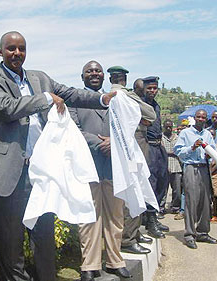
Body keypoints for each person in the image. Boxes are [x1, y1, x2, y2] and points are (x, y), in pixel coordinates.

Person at [0, 33, 114, 281]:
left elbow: (71, 94)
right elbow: (7, 109)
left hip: (42, 173)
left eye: (21, 48)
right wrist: (44, 99)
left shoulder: (39, 78)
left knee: (44, 239)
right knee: (10, 244)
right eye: (11, 48)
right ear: (0, 52)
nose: (16, 53)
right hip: (9, 174)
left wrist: (102, 98)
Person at [69, 61, 131, 281]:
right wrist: (99, 143)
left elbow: (126, 127)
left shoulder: (116, 99)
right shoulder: (73, 100)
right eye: (89, 71)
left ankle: (115, 261)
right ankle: (90, 265)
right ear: (82, 76)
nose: (94, 74)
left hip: (114, 166)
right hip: (88, 166)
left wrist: (114, 143)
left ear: (104, 76)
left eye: (98, 71)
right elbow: (73, 130)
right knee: (89, 217)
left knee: (115, 216)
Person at [106, 66, 155, 255]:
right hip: (131, 151)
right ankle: (128, 238)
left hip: (118, 152)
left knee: (129, 190)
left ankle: (133, 233)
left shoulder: (104, 96)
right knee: (135, 188)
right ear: (124, 80)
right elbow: (150, 115)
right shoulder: (125, 96)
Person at [174, 109, 217, 249]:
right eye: (198, 117)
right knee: (191, 201)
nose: (201, 119)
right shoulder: (185, 133)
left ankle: (203, 232)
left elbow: (213, 149)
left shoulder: (207, 134)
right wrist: (192, 147)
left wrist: (209, 154)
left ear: (206, 119)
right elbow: (178, 151)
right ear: (194, 118)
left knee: (205, 201)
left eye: (203, 117)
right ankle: (189, 234)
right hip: (191, 168)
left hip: (204, 168)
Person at [143, 76, 169, 238]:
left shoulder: (156, 105)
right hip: (148, 146)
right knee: (150, 184)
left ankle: (155, 216)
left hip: (159, 145)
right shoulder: (141, 104)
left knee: (162, 180)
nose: (152, 91)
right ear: (144, 89)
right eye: (149, 88)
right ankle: (150, 220)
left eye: (155, 88)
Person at [161, 120, 183, 216]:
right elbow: (160, 151)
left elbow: (179, 151)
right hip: (164, 167)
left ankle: (175, 207)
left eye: (170, 127)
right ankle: (161, 208)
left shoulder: (177, 138)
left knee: (177, 190)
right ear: (163, 127)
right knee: (163, 190)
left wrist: (167, 152)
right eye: (167, 127)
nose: (168, 129)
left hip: (176, 167)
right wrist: (171, 152)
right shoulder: (160, 137)